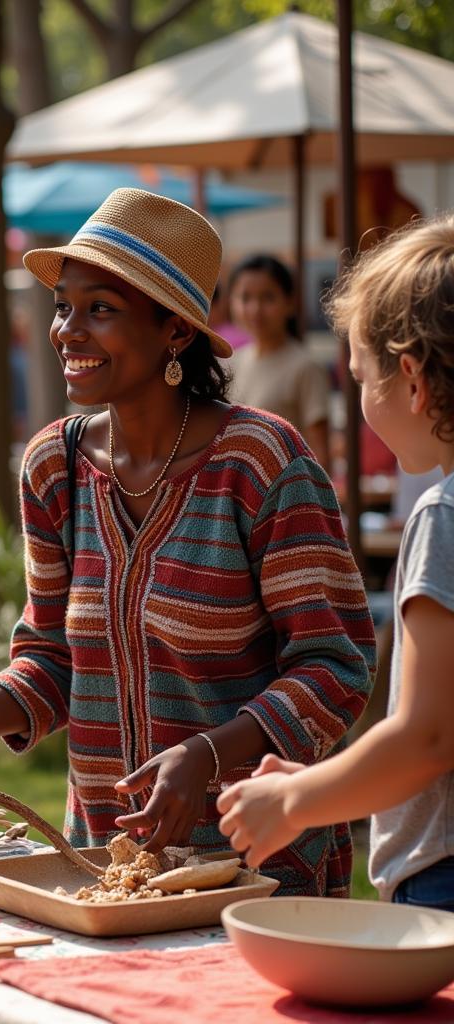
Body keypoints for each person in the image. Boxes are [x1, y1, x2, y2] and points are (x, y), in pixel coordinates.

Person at [0, 189, 375, 899]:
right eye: (63, 306)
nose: (67, 331)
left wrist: (208, 755)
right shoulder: (55, 468)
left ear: (175, 332)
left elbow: (335, 668)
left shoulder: (263, 463)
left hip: (258, 877)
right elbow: (53, 667)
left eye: (102, 310)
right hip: (107, 871)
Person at [218, 216, 454, 912]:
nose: (359, 398)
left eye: (361, 376)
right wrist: (330, 780)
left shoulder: (442, 516)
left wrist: (293, 800)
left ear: (410, 378)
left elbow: (427, 738)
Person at [227, 255, 332, 470]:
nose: (255, 309)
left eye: (267, 298)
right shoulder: (231, 364)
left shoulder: (305, 367)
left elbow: (320, 454)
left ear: (290, 303)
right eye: (245, 298)